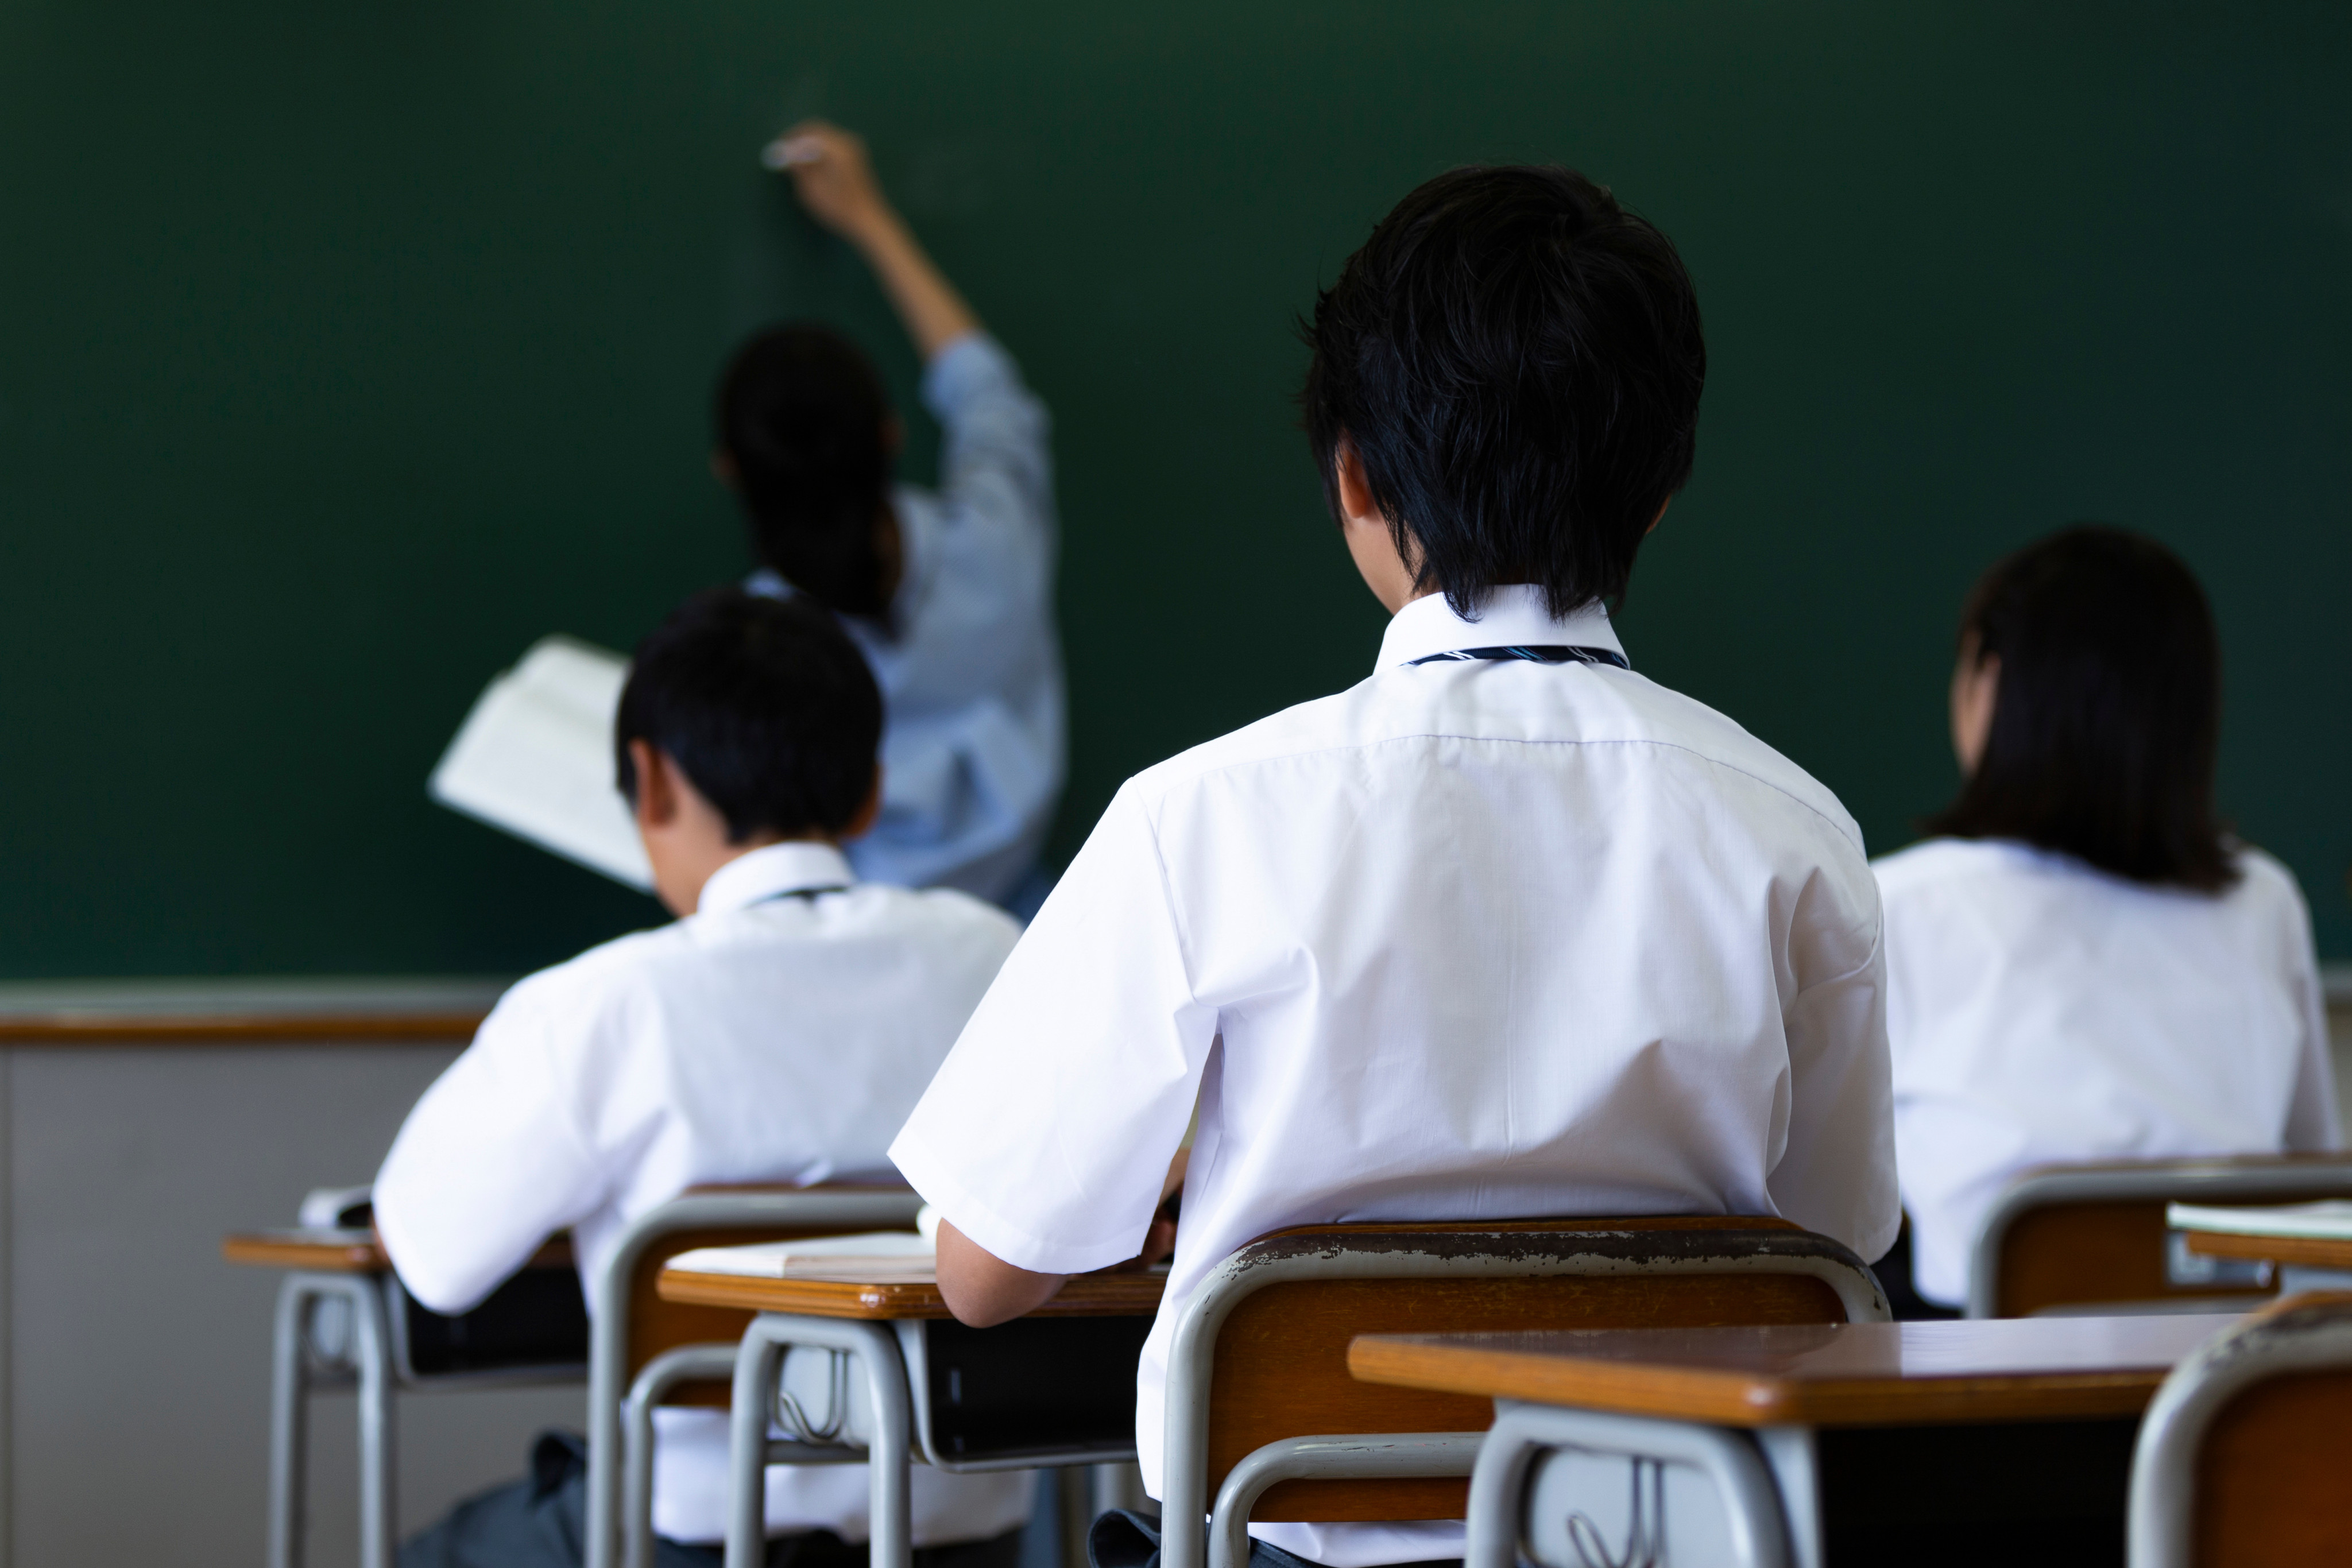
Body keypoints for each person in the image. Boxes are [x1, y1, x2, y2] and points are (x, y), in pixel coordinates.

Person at [886, 165, 1900, 1568]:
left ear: (1351, 476)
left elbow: (983, 1275)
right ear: (1661, 493)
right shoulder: (1795, 829)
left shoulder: (1203, 817)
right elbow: (1832, 1249)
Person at [376, 589, 1032, 1568]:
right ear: (868, 791)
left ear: (648, 781)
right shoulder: (998, 958)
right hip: (966, 1542)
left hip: (687, 1540)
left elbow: (431, 1255)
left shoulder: (606, 1002)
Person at [1873, 526, 2339, 1312]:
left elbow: (1819, 1192)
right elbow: (2308, 1178)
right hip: (2225, 1388)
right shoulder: (2262, 900)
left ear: (1991, 682)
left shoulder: (1898, 905)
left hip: (1973, 1396)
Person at [717, 121, 1063, 915]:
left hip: (835, 962)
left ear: (730, 473)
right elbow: (993, 401)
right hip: (1028, 939)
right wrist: (870, 219)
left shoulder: (755, 654)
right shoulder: (995, 540)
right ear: (890, 435)